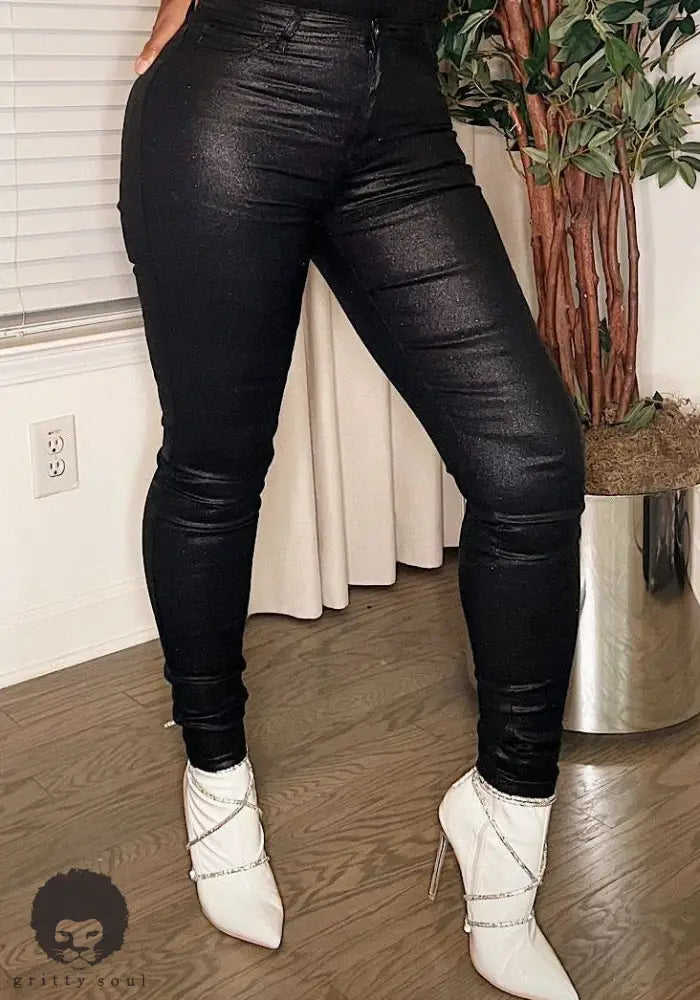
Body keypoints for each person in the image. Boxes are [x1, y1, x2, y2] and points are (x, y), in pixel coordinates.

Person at [118, 1, 585, 997]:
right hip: (239, 82)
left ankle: (505, 822)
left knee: (534, 465)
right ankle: (215, 780)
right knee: (214, 467)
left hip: (402, 103)